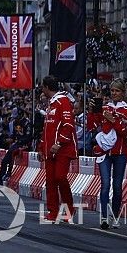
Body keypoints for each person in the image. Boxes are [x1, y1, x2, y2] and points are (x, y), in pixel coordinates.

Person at [98, 79, 127, 229]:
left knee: (118, 186)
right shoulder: (104, 108)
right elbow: (96, 127)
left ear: (123, 93)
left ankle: (114, 215)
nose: (114, 93)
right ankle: (104, 217)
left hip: (121, 153)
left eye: (117, 91)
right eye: (112, 91)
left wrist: (114, 120)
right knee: (105, 184)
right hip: (105, 153)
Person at [40, 75, 77, 224]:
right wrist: (42, 147)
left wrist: (59, 143)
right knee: (50, 181)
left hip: (63, 149)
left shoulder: (63, 101)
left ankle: (69, 209)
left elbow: (68, 125)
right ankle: (53, 212)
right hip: (50, 150)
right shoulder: (51, 104)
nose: (42, 90)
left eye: (42, 87)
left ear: (46, 87)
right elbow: (47, 128)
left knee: (60, 178)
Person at [0, 116, 32, 185]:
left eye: (16, 117)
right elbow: (14, 135)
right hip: (17, 144)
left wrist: (20, 141)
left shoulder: (27, 123)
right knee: (5, 160)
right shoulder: (15, 123)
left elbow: (29, 137)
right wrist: (10, 139)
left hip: (25, 145)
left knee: (12, 152)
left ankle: (9, 172)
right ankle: (1, 178)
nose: (14, 119)